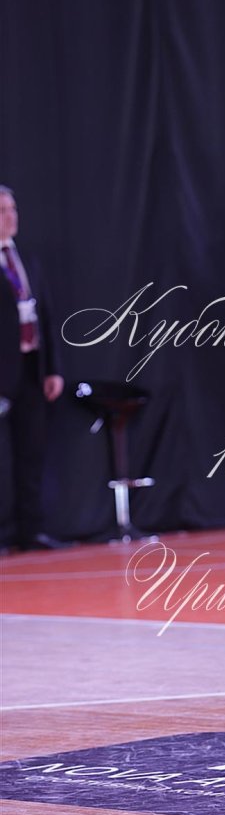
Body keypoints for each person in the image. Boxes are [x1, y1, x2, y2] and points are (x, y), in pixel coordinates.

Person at [0, 185, 64, 552]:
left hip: (30, 368)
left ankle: (31, 530)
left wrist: (53, 368)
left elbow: (46, 315)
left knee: (31, 452)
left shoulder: (27, 259)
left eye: (12, 209)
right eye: (2, 210)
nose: (10, 216)